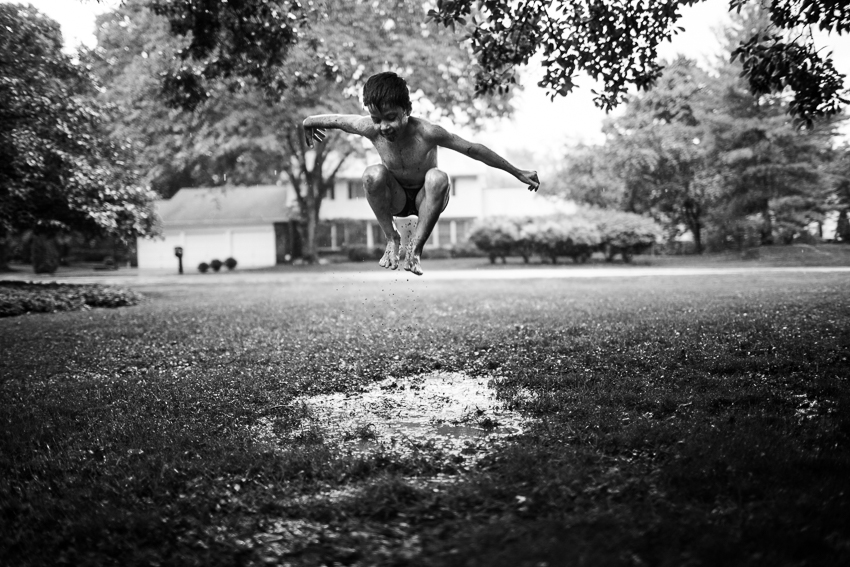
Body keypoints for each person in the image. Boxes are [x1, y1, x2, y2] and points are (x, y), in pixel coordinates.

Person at [303, 71, 540, 275]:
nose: (383, 127)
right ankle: (392, 239)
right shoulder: (370, 128)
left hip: (426, 197)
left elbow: (473, 150)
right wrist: (309, 121)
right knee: (372, 174)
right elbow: (338, 120)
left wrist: (516, 171)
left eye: (391, 118)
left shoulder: (428, 133)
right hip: (396, 198)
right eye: (376, 120)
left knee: (437, 177)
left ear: (407, 110)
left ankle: (415, 249)